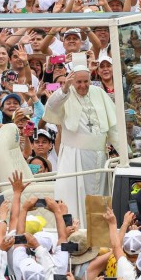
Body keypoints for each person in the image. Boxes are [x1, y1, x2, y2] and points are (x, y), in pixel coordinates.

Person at [43, 65, 121, 225]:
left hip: (99, 157)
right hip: (75, 158)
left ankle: (99, 237)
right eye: (78, 82)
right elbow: (51, 107)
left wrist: (126, 153)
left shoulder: (98, 92)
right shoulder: (65, 94)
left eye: (86, 81)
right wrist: (64, 89)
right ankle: (79, 234)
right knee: (77, 199)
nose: (83, 85)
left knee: (100, 198)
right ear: (72, 81)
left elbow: (113, 127)